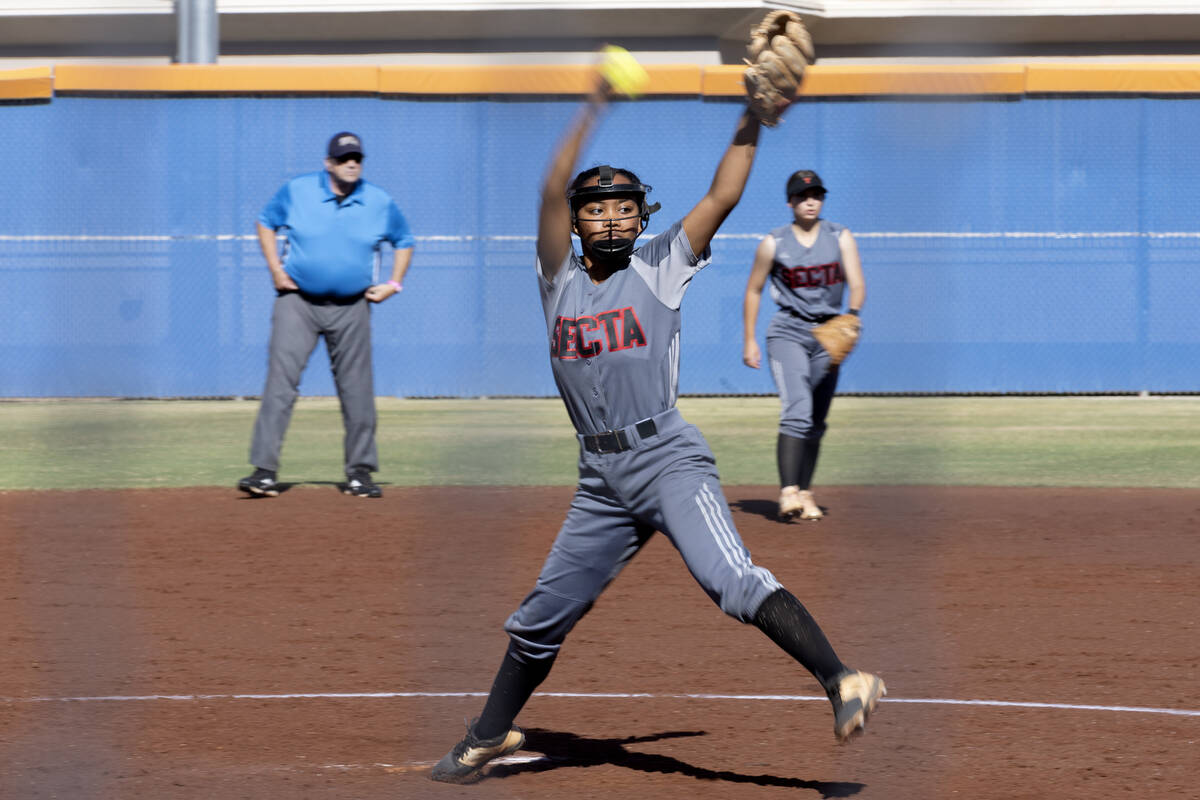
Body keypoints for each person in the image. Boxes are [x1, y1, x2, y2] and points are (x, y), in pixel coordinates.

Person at [429, 80, 884, 785]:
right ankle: (489, 733)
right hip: (599, 482)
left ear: (642, 216)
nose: (609, 219)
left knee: (731, 581)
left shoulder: (660, 265)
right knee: (540, 619)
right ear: (576, 224)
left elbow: (721, 198)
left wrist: (752, 118)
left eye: (623, 207)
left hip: (668, 459)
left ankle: (842, 679)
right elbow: (553, 186)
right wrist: (595, 101)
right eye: (595, 209)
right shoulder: (557, 281)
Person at [237, 132, 414, 499]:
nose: (352, 163)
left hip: (353, 305)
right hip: (297, 302)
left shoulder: (377, 201)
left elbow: (404, 241)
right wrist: (274, 269)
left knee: (357, 391)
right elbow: (265, 222)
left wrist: (393, 284)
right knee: (280, 385)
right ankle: (264, 472)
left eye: (357, 158)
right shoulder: (298, 191)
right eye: (344, 157)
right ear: (328, 163)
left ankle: (359, 474)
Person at [742, 171, 865, 521]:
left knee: (816, 418)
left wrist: (852, 317)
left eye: (816, 195)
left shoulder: (839, 236)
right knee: (797, 408)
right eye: (802, 195)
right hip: (788, 332)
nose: (810, 201)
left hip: (830, 332)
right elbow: (754, 290)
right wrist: (749, 338)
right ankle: (788, 492)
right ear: (790, 202)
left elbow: (857, 283)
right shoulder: (774, 243)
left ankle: (806, 491)